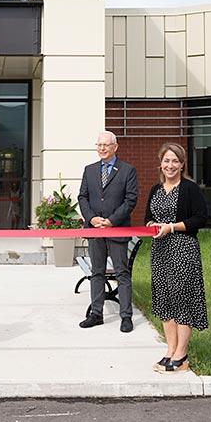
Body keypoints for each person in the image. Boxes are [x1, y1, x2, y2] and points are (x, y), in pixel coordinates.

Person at [143, 142, 209, 373]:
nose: (170, 165)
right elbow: (148, 218)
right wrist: (152, 225)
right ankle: (170, 350)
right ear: (160, 164)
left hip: (183, 249)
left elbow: (201, 218)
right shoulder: (155, 189)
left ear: (182, 164)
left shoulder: (189, 189)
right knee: (164, 300)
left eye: (175, 161)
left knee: (182, 299)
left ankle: (182, 355)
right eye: (166, 160)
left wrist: (171, 227)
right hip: (160, 252)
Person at [77, 131, 139, 331]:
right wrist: (92, 218)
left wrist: (112, 221)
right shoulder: (89, 170)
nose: (102, 148)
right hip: (95, 230)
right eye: (99, 145)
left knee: (122, 272)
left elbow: (131, 200)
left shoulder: (127, 170)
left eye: (106, 145)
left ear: (115, 147)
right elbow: (82, 197)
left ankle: (126, 316)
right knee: (97, 272)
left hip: (117, 229)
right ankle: (96, 314)